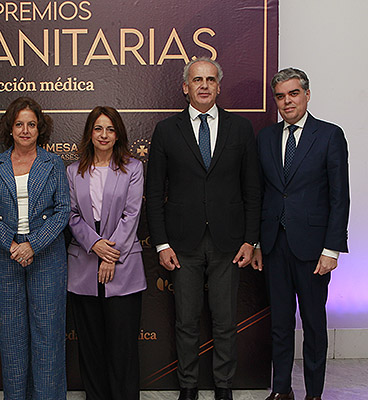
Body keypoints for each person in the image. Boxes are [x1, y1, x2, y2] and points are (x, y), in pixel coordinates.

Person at [146, 57, 261, 400]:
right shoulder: (167, 130)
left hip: (229, 242)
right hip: (182, 244)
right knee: (186, 321)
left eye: (211, 79)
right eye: (197, 79)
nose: (204, 85)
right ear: (186, 87)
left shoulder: (240, 129)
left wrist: (251, 239)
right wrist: (161, 244)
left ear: (219, 86)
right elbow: (154, 193)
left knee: (225, 320)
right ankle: (188, 387)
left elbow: (252, 189)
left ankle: (223, 386)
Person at [252, 68, 350, 400]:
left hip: (313, 249)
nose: (286, 101)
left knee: (313, 326)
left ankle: (313, 394)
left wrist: (332, 249)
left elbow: (340, 196)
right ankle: (281, 391)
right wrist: (257, 243)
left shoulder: (329, 135)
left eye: (293, 94)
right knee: (279, 325)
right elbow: (263, 193)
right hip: (275, 246)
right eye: (280, 96)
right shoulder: (265, 138)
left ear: (307, 94)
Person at [0, 97, 70, 399]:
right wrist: (12, 244)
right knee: (12, 337)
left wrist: (34, 244)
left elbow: (62, 211)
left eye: (31, 124)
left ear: (40, 129)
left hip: (46, 257)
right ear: (10, 128)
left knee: (48, 336)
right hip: (8, 258)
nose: (26, 130)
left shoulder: (53, 163)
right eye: (19, 124)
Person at [66, 106, 146, 400]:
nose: (103, 134)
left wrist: (110, 254)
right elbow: (72, 215)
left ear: (118, 134)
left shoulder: (133, 168)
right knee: (91, 345)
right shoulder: (73, 171)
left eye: (110, 129)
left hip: (123, 264)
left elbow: (132, 213)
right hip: (84, 265)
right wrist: (95, 245)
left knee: (122, 345)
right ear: (90, 133)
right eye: (98, 128)